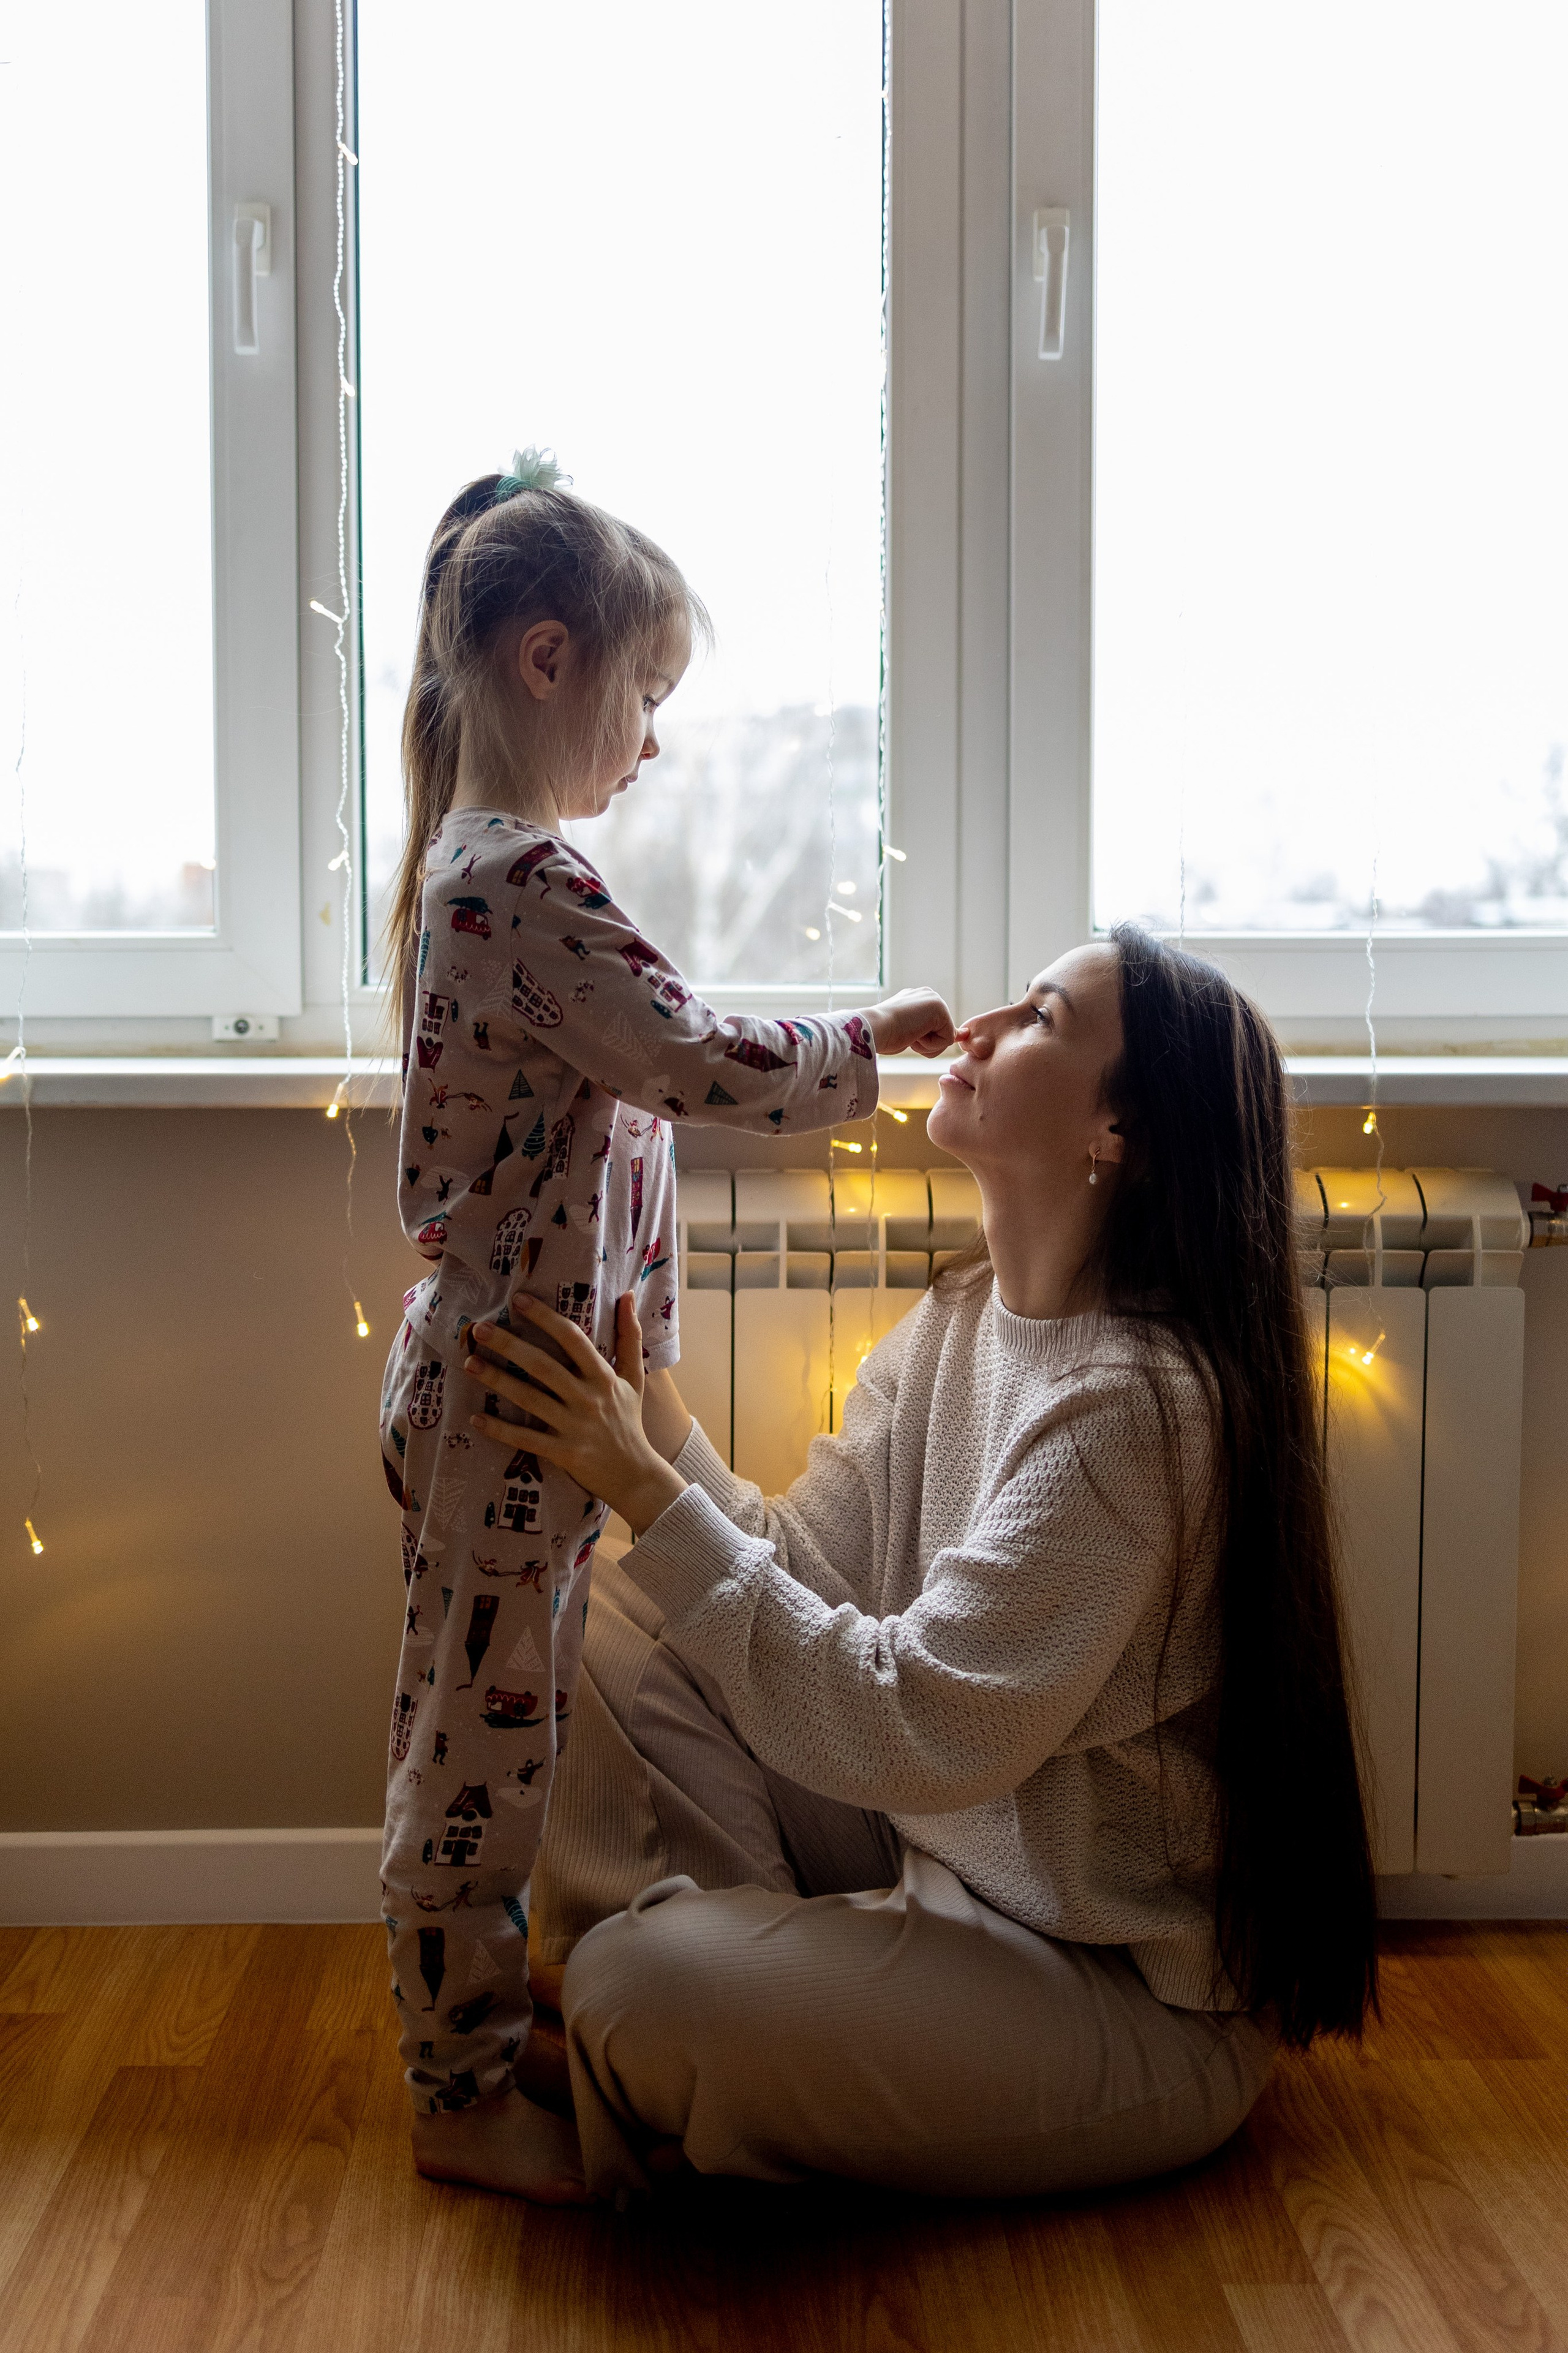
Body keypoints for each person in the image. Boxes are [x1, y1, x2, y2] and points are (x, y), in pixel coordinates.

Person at [464, 924, 1379, 2203]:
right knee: (603, 1595)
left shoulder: (1133, 1412)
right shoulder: (956, 1319)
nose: (983, 1024)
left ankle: (700, 2024)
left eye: (1043, 1018)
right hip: (931, 1849)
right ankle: (746, 2012)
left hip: (1100, 1984)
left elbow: (904, 1719)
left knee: (632, 1984)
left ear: (1117, 1136)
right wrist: (646, 1402)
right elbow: (791, 1564)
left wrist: (638, 1478)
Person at [378, 447, 954, 2197]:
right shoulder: (515, 882)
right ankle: (455, 2096)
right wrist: (874, 1045)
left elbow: (625, 1090)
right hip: (504, 1408)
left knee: (514, 1737)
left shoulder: (505, 869)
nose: (655, 738)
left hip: (536, 1400)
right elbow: (688, 1054)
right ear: (545, 661)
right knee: (471, 1756)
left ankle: (475, 2021)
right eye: (643, 693)